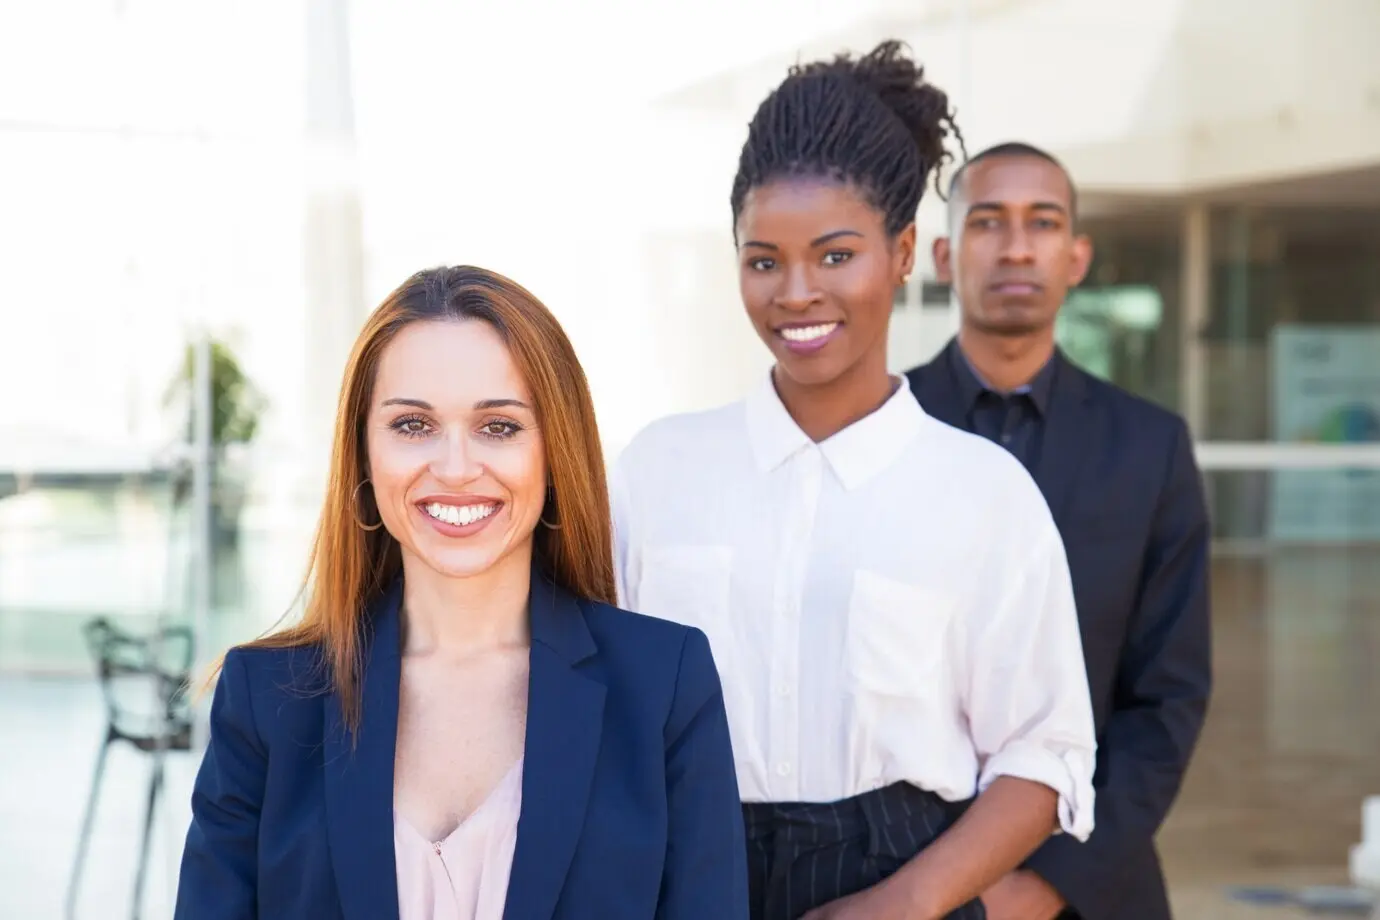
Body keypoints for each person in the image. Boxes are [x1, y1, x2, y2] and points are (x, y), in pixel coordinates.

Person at [611, 42, 1098, 920]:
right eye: (763, 261)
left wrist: (910, 902)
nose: (796, 292)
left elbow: (1045, 753)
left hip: (910, 882)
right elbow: (598, 705)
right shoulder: (658, 470)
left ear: (904, 251)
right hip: (684, 881)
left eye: (835, 256)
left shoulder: (985, 493)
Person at [174, 266, 749, 920]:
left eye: (498, 427)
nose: (453, 468)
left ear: (554, 451)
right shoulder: (267, 697)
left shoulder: (664, 687)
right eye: (413, 425)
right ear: (363, 454)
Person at [906, 142, 1212, 920]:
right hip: (901, 877)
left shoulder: (1150, 447)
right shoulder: (877, 432)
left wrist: (1044, 885)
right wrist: (940, 887)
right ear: (943, 254)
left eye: (1042, 223)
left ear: (1076, 257)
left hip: (1094, 887)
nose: (1016, 246)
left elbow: (1166, 699)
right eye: (988, 222)